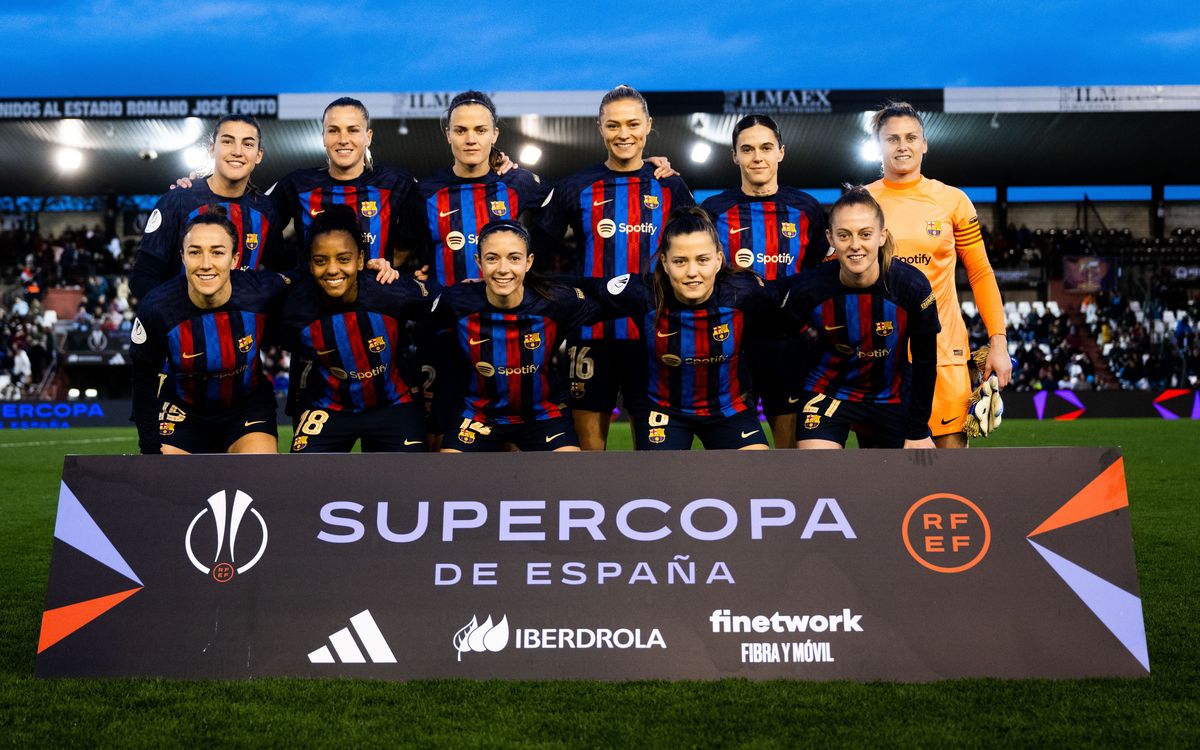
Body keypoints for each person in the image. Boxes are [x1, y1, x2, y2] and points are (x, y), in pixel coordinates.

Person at [535, 84, 694, 450]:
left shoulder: (671, 186)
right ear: (599, 127)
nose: (624, 134)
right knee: (589, 454)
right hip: (591, 336)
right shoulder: (575, 187)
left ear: (648, 125)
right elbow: (535, 252)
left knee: (657, 452)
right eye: (613, 125)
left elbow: (697, 251)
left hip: (656, 337)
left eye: (633, 124)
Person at [867, 101, 1009, 447]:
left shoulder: (953, 201)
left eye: (911, 137)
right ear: (879, 145)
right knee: (882, 476)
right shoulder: (861, 202)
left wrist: (998, 342)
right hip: (880, 356)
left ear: (925, 143)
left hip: (945, 353)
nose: (903, 146)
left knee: (950, 475)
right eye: (892, 139)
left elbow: (980, 272)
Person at [585, 207, 776, 450]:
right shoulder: (642, 293)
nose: (692, 272)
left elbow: (793, 297)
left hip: (729, 410)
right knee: (660, 488)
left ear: (719, 259)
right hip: (663, 411)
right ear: (664, 262)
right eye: (679, 261)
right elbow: (580, 291)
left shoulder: (745, 291)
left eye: (703, 260)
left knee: (757, 484)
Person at [701, 113, 828, 447]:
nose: (757, 157)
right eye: (747, 149)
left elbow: (819, 275)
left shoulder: (807, 208)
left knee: (789, 450)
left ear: (780, 152)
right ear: (735, 156)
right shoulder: (714, 210)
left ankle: (789, 500)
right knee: (736, 449)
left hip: (790, 346)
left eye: (766, 147)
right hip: (732, 346)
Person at [780, 187, 939, 449]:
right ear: (830, 237)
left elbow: (925, 361)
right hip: (828, 391)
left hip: (891, 395)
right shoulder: (809, 288)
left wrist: (918, 429)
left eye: (865, 234)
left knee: (909, 480)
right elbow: (788, 337)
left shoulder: (911, 286)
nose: (855, 245)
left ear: (881, 236)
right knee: (817, 473)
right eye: (844, 235)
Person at [130, 211, 289, 455]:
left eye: (217, 252)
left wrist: (368, 272)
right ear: (183, 258)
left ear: (235, 259)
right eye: (195, 252)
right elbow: (143, 381)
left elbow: (311, 282)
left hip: (246, 405)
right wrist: (150, 449)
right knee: (166, 485)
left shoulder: (262, 290)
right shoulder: (156, 308)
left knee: (261, 475)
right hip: (182, 409)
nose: (206, 264)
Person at [279, 206, 436, 453]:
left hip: (394, 405)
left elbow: (444, 301)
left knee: (410, 485)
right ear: (309, 264)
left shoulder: (391, 290)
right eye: (320, 261)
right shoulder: (293, 308)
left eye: (344, 259)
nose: (332, 270)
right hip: (328, 408)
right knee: (303, 482)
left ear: (361, 260)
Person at [432, 221, 599, 452]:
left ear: (529, 262)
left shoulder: (557, 301)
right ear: (478, 262)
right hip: (478, 415)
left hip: (542, 415)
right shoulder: (456, 301)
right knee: (448, 481)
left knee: (570, 479)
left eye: (514, 258)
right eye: (492, 258)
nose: (503, 268)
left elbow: (607, 299)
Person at [130, 115, 281, 300]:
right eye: (227, 141)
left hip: (239, 327)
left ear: (259, 155)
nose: (237, 151)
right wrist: (173, 314)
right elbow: (142, 278)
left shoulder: (265, 209)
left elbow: (281, 273)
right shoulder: (178, 199)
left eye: (248, 144)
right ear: (212, 150)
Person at [267, 97, 423, 269]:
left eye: (353, 130)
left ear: (368, 137)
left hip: (377, 294)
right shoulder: (297, 184)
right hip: (312, 294)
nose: (343, 139)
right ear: (323, 137)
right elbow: (258, 224)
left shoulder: (396, 181)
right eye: (333, 130)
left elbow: (425, 230)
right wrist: (291, 272)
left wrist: (400, 265)